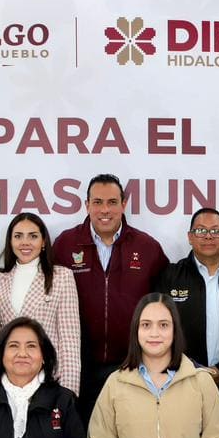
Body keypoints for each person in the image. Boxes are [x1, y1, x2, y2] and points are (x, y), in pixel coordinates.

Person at [52, 174, 167, 420]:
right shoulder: (65, 245)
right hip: (79, 366)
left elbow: (163, 306)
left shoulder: (147, 247)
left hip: (133, 364)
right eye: (97, 202)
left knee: (130, 432)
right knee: (83, 433)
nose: (105, 210)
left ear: (123, 205)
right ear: (87, 205)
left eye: (112, 202)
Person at [155, 208, 219, 438]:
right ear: (190, 237)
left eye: (216, 231)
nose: (208, 236)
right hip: (181, 381)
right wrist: (196, 369)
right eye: (200, 231)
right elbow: (158, 332)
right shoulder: (169, 277)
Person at [87, 294, 219, 438]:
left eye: (163, 325)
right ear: (136, 330)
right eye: (146, 325)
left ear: (175, 330)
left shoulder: (202, 381)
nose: (154, 333)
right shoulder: (115, 382)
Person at [0, 213, 81, 395]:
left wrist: (69, 393)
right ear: (10, 241)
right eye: (18, 236)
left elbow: (69, 340)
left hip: (48, 378)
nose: (25, 242)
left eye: (33, 236)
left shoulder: (61, 277)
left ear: (43, 242)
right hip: (7, 379)